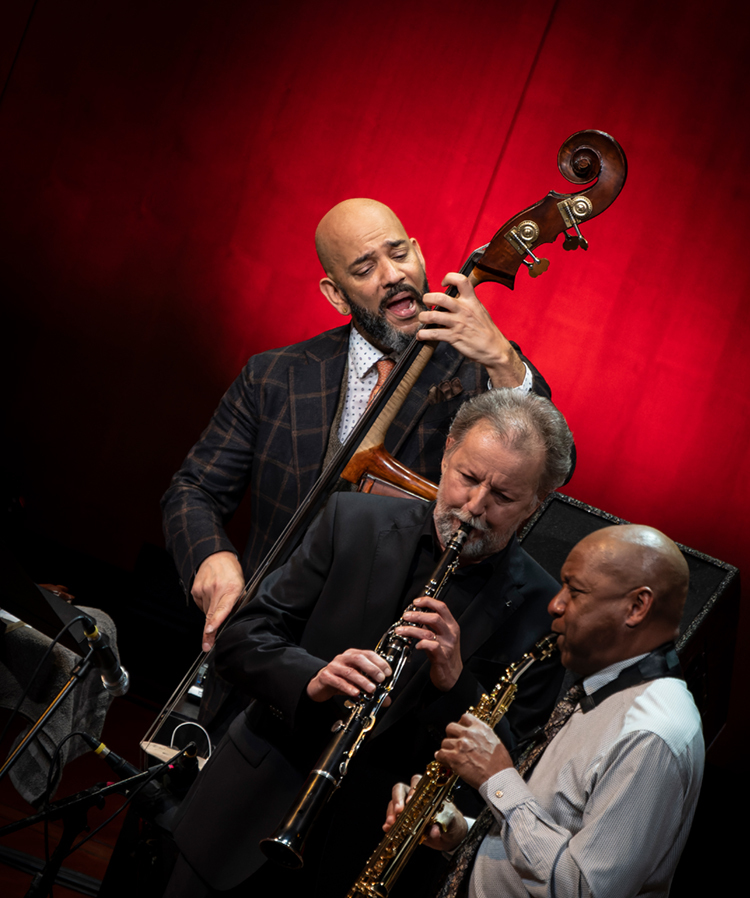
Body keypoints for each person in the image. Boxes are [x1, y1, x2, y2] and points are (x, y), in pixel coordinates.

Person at [129, 390, 574, 898]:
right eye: (468, 479)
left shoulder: (539, 611)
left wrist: (454, 684)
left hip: (365, 856)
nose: (474, 507)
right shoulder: (351, 520)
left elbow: (513, 759)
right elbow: (242, 637)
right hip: (252, 801)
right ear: (446, 455)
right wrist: (308, 677)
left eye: (502, 498)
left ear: (536, 506)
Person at [161, 198, 557, 666]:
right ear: (335, 293)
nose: (392, 275)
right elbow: (194, 490)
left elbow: (545, 463)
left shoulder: (480, 376)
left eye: (398, 254)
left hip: (380, 662)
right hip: (257, 640)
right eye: (365, 267)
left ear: (419, 254)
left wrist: (500, 357)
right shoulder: (274, 376)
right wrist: (211, 558)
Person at [385, 523, 705, 898]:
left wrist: (499, 780)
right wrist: (464, 833)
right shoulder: (599, 694)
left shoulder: (651, 733)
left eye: (574, 592)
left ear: (637, 606)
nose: (555, 605)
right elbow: (556, 842)